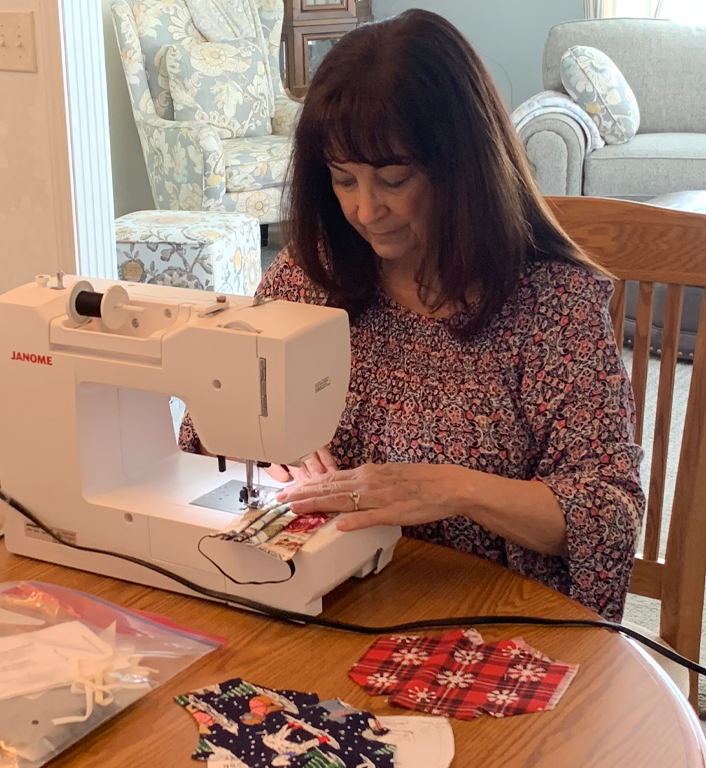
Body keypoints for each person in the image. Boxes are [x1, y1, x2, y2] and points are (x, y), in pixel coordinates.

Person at [179, 9, 645, 622]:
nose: (365, 210)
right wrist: (273, 454)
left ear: (462, 168)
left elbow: (608, 518)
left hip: (479, 616)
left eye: (394, 179)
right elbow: (201, 430)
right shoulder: (312, 271)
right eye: (343, 180)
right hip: (332, 601)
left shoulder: (549, 303)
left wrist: (454, 488)